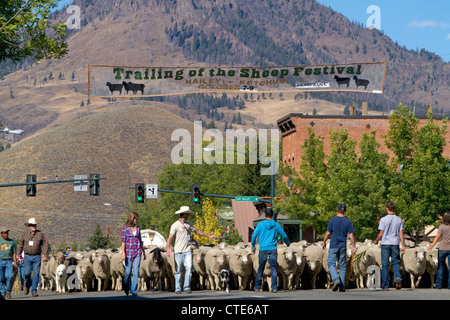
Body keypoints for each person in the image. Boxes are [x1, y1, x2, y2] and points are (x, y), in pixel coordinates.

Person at [166, 206, 217, 294]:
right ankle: (178, 288)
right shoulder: (175, 225)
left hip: (187, 250)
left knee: (189, 268)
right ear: (184, 214)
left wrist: (208, 236)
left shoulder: (188, 224)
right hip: (178, 251)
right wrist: (168, 249)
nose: (188, 215)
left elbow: (197, 231)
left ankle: (187, 287)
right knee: (178, 270)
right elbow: (170, 237)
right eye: (187, 213)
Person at [251, 207, 290, 293]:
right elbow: (284, 235)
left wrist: (253, 245)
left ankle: (257, 286)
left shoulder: (260, 225)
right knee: (273, 268)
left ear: (265, 215)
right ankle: (274, 287)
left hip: (263, 249)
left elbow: (254, 236)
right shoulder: (276, 225)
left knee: (260, 267)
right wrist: (287, 243)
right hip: (273, 248)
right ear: (272, 215)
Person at [322, 203, 357, 292]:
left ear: (337, 209)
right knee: (342, 265)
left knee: (331, 263)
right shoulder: (348, 221)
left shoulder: (332, 220)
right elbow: (351, 234)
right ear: (345, 211)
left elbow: (327, 233)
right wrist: (354, 246)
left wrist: (324, 242)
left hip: (334, 244)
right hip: (342, 245)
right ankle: (342, 285)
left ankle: (335, 279)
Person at [373, 201, 406, 291]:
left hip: (385, 244)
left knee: (385, 265)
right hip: (395, 243)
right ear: (394, 209)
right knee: (396, 262)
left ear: (387, 208)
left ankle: (386, 286)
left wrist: (376, 241)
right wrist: (403, 245)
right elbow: (401, 233)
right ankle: (398, 278)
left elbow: (381, 233)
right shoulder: (399, 220)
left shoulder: (383, 219)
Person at [17, 218, 49, 297]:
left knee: (36, 274)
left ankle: (34, 290)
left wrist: (45, 255)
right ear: (29, 226)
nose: (33, 226)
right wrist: (18, 254)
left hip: (37, 256)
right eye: (31, 225)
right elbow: (20, 244)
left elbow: (45, 244)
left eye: (34, 225)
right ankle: (27, 284)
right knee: (27, 273)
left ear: (36, 225)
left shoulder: (40, 234)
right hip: (27, 257)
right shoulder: (24, 234)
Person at [121, 211, 146, 296]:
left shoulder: (138, 228)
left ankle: (134, 290)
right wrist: (123, 253)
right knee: (127, 272)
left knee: (136, 271)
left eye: (137, 219)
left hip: (137, 252)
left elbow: (140, 240)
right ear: (132, 218)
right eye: (135, 218)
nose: (136, 220)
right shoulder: (125, 228)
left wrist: (144, 252)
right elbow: (123, 242)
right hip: (128, 253)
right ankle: (126, 287)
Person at [428, 211, 450, 289]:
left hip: (442, 248)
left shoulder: (441, 226)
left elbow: (437, 237)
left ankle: (439, 285)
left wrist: (432, 245)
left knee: (440, 267)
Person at [0, 227, 18, 299]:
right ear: (1, 233)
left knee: (10, 276)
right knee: (1, 278)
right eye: (5, 233)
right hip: (0, 261)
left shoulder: (11, 242)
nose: (6, 234)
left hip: (9, 261)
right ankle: (2, 292)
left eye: (7, 233)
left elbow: (14, 252)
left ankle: (8, 292)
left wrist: (15, 262)